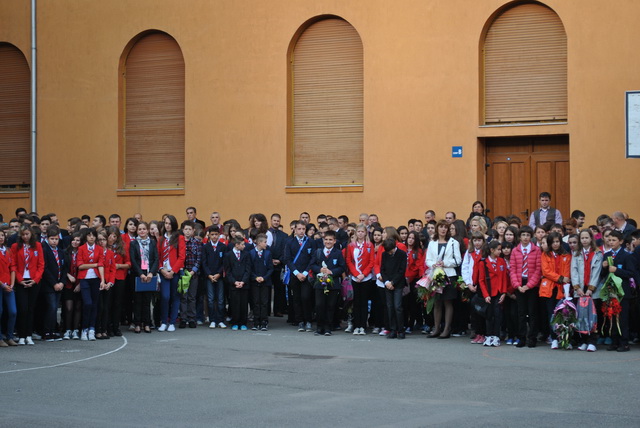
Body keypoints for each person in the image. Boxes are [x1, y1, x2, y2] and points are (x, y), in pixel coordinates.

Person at [425, 220, 462, 339]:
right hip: (435, 274)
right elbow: (427, 260)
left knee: (448, 301)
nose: (443, 229)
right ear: (437, 229)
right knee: (437, 301)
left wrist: (445, 263)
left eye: (445, 227)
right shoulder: (432, 243)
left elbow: (458, 260)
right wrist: (433, 264)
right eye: (441, 227)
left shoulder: (453, 243)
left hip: (449, 275)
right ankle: (436, 328)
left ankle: (446, 329)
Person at [601, 230, 637, 352]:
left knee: (622, 318)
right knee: (611, 316)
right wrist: (604, 267)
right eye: (609, 240)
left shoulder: (626, 256)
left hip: (622, 291)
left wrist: (617, 270)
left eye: (614, 240)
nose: (611, 242)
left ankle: (624, 342)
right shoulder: (607, 255)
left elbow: (631, 273)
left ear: (620, 241)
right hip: (611, 291)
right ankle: (614, 341)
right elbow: (603, 275)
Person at [11, 224, 45, 345]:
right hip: (21, 280)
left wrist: (35, 279)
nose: (25, 236)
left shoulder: (38, 246)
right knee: (22, 308)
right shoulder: (15, 246)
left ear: (31, 234)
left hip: (34, 280)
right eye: (23, 235)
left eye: (27, 234)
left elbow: (41, 264)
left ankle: (29, 335)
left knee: (31, 308)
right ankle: (21, 335)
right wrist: (19, 279)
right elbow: (13, 264)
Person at [509, 226, 542, 348]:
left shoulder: (536, 250)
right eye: (523, 235)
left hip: (531, 284)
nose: (525, 237)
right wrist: (517, 285)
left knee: (532, 312)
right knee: (521, 313)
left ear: (531, 237)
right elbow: (512, 269)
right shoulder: (515, 250)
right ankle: (521, 337)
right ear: (519, 237)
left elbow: (538, 270)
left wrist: (529, 285)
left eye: (528, 235)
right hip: (519, 283)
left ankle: (532, 337)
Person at [570, 229, 602, 352]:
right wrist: (577, 287)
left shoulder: (597, 253)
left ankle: (592, 341)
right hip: (580, 289)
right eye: (582, 238)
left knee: (592, 316)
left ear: (591, 239)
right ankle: (583, 340)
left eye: (586, 238)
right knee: (581, 316)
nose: (584, 240)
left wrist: (591, 288)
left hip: (592, 290)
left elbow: (597, 272)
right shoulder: (576, 253)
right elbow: (574, 271)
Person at [309, 230, 346, 336]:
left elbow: (342, 267)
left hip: (333, 284)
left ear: (334, 241)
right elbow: (312, 265)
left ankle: (328, 327)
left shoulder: (338, 253)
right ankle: (319, 327)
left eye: (330, 240)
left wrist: (332, 272)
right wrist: (319, 269)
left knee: (330, 306)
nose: (328, 242)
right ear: (323, 240)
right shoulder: (318, 252)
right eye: (326, 239)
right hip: (319, 283)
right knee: (319, 305)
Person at [539, 232, 571, 349]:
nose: (555, 244)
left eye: (557, 241)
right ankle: (554, 338)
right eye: (553, 242)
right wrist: (560, 278)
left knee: (564, 313)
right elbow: (546, 271)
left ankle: (564, 338)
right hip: (550, 288)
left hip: (562, 288)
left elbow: (567, 272)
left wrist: (564, 282)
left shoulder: (566, 255)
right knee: (551, 313)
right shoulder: (545, 255)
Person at [284, 221, 316, 332]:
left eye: (303, 229)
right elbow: (287, 259)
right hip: (295, 275)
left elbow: (313, 258)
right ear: (295, 230)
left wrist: (306, 272)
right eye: (299, 229)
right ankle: (300, 321)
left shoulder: (310, 242)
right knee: (296, 298)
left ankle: (308, 320)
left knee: (306, 297)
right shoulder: (290, 242)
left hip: (307, 275)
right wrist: (297, 273)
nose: (301, 231)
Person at [157, 215, 186, 332]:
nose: (167, 225)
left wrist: (173, 271)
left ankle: (172, 322)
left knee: (175, 297)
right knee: (165, 297)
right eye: (166, 223)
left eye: (169, 223)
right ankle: (164, 321)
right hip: (163, 272)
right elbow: (158, 257)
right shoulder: (161, 239)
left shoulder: (179, 238)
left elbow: (181, 257)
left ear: (173, 224)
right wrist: (161, 269)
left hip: (175, 272)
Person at [345, 224, 375, 335]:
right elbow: (349, 261)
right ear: (356, 233)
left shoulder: (369, 245)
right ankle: (356, 325)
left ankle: (363, 326)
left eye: (362, 231)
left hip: (366, 278)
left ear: (365, 233)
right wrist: (356, 274)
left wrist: (364, 274)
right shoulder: (351, 245)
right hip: (355, 277)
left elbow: (371, 262)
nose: (360, 233)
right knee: (356, 302)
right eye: (358, 231)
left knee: (364, 302)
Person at [76, 228, 106, 341]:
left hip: (96, 279)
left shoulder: (99, 249)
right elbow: (80, 266)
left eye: (93, 235)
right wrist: (95, 264)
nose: (91, 237)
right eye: (89, 235)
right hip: (84, 279)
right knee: (87, 303)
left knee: (94, 304)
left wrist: (102, 280)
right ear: (86, 237)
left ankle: (92, 329)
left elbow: (101, 264)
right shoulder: (81, 248)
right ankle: (84, 328)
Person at [129, 222, 159, 333]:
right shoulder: (133, 243)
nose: (142, 231)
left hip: (149, 273)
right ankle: (137, 323)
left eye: (144, 229)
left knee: (147, 300)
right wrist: (140, 273)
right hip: (138, 273)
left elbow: (156, 259)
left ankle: (146, 323)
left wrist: (151, 273)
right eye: (140, 229)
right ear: (137, 231)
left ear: (147, 230)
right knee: (137, 300)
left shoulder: (152, 242)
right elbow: (133, 260)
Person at [41, 226, 69, 341]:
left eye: (56, 239)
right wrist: (54, 283)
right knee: (51, 307)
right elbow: (45, 269)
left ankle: (53, 330)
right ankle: (47, 331)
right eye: (52, 239)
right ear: (47, 239)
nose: (54, 241)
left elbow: (64, 268)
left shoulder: (60, 251)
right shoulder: (44, 250)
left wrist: (62, 282)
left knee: (55, 307)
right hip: (49, 285)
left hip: (59, 284)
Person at [478, 240, 507, 347]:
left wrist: (504, 292)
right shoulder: (483, 262)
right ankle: (489, 335)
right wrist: (485, 295)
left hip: (499, 292)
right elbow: (481, 280)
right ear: (492, 250)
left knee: (498, 315)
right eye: (498, 250)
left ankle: (496, 336)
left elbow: (504, 278)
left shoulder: (502, 261)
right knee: (489, 315)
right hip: (489, 293)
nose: (500, 251)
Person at [462, 231, 487, 344]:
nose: (477, 243)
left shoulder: (485, 252)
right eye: (475, 240)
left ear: (483, 241)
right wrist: (468, 283)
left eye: (479, 240)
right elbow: (465, 268)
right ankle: (477, 333)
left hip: (482, 286)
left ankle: (484, 333)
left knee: (482, 311)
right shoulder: (469, 252)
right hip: (472, 285)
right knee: (474, 311)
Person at [380, 238, 407, 339]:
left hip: (398, 283)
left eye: (391, 251)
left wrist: (393, 282)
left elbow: (402, 270)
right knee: (390, 307)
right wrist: (386, 281)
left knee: (397, 306)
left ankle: (401, 329)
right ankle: (393, 329)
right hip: (387, 283)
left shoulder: (402, 254)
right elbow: (382, 269)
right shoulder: (384, 254)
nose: (389, 253)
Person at [224, 236, 251, 331]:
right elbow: (227, 271)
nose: (244, 246)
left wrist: (243, 281)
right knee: (235, 303)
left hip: (244, 284)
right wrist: (234, 282)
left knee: (244, 303)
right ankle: (235, 322)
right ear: (237, 245)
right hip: (233, 284)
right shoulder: (228, 255)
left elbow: (248, 269)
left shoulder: (246, 254)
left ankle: (243, 322)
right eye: (242, 244)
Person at [202, 226, 227, 329]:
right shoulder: (206, 247)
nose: (214, 236)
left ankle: (220, 320)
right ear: (209, 235)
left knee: (220, 299)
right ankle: (212, 320)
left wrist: (219, 274)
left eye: (216, 234)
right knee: (210, 299)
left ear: (219, 235)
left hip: (219, 276)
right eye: (212, 234)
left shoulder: (223, 247)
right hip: (209, 277)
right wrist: (209, 275)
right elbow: (204, 262)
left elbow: (224, 262)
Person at [179, 221, 202, 329]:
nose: (188, 231)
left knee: (192, 297)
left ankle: (192, 318)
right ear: (182, 230)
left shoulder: (197, 243)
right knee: (183, 297)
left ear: (193, 231)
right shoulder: (179, 242)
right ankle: (183, 319)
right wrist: (181, 271)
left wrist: (193, 271)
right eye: (186, 229)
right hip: (182, 273)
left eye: (190, 229)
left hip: (193, 274)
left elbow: (199, 258)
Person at [248, 234, 273, 331]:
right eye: (265, 242)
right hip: (254, 282)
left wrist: (264, 277)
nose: (266, 244)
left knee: (264, 302)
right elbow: (249, 268)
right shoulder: (251, 253)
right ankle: (256, 321)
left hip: (265, 282)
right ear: (259, 243)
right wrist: (255, 277)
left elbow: (270, 268)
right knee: (256, 302)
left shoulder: (268, 253)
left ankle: (264, 321)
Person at [0, 230, 18, 346]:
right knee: (0, 311)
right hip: (1, 285)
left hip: (8, 285)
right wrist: (3, 285)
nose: (1, 237)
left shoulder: (8, 251)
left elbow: (13, 268)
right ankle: (0, 338)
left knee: (13, 311)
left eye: (2, 235)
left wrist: (11, 284)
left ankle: (10, 336)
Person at [269, 214, 288, 318]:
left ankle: (278, 310)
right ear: (271, 220)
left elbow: (285, 250)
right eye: (274, 220)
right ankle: (267, 311)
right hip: (268, 265)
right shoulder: (266, 233)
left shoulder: (284, 235)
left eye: (277, 221)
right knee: (267, 288)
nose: (276, 222)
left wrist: (280, 260)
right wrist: (270, 260)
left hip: (279, 265)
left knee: (279, 289)